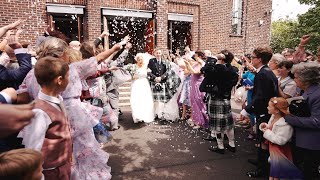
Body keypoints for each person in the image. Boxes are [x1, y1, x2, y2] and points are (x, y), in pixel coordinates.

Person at [17, 37, 123, 180]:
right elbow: (96, 59)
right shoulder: (70, 68)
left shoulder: (33, 73)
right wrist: (114, 49)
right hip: (74, 116)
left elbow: (21, 97)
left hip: (47, 117)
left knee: (58, 153)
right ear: (61, 54)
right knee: (81, 151)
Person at [18, 56, 72, 180]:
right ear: (59, 80)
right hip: (51, 173)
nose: (69, 80)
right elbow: (32, 149)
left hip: (62, 168)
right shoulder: (39, 112)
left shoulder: (58, 100)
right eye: (68, 77)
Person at [240, 47, 279, 178]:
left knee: (263, 142)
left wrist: (246, 110)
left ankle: (262, 170)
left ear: (260, 59)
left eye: (253, 57)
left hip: (264, 112)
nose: (252, 59)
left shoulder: (263, 74)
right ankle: (259, 162)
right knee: (261, 139)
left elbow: (260, 97)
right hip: (265, 111)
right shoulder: (265, 72)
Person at [284, 62, 320, 179]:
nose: (294, 80)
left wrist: (289, 118)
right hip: (302, 139)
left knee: (308, 172)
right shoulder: (307, 90)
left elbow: (316, 121)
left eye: (296, 77)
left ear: (306, 79)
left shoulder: (317, 94)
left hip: (310, 142)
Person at [201, 50, 239, 154]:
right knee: (229, 124)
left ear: (221, 59)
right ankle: (232, 144)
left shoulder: (215, 69)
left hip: (216, 98)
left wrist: (213, 58)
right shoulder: (233, 69)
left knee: (217, 126)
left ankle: (220, 147)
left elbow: (203, 69)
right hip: (226, 99)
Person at [259, 97, 303, 179]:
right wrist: (265, 126)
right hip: (273, 149)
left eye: (269, 106)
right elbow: (272, 128)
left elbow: (281, 140)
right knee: (275, 170)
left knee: (280, 172)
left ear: (277, 110)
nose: (267, 107)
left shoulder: (285, 125)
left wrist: (267, 132)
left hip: (281, 151)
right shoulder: (273, 117)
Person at [147, 48, 181, 122]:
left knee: (162, 100)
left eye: (159, 53)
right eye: (157, 53)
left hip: (162, 82)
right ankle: (155, 114)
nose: (158, 54)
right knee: (155, 100)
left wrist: (161, 78)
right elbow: (148, 71)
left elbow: (168, 71)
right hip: (154, 82)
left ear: (161, 53)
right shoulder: (151, 61)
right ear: (154, 53)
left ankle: (161, 114)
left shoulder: (165, 61)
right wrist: (155, 78)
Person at [130, 53, 154, 123]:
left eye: (141, 59)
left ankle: (144, 115)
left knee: (145, 100)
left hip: (144, 84)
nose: (140, 61)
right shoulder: (134, 67)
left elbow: (148, 75)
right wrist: (135, 76)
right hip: (137, 84)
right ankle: (138, 115)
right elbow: (132, 77)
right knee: (137, 100)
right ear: (137, 60)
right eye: (139, 59)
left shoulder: (145, 67)